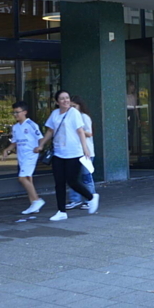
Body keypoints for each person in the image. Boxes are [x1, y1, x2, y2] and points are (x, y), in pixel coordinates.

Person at [35, 90, 98, 221]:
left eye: (67, 98)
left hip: (74, 153)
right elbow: (50, 131)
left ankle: (91, 197)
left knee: (72, 181)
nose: (66, 101)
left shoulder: (74, 113)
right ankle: (61, 211)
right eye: (62, 99)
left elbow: (80, 131)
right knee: (59, 183)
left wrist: (85, 148)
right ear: (57, 102)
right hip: (58, 153)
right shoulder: (54, 114)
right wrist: (42, 144)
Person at [2, 101, 45, 215]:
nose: (15, 115)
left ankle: (37, 200)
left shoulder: (31, 124)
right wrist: (7, 150)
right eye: (14, 112)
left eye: (17, 112)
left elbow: (40, 137)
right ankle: (33, 205)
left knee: (22, 178)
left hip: (30, 154)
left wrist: (40, 147)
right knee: (28, 178)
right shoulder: (15, 127)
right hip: (21, 156)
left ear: (25, 112)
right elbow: (15, 142)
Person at [66, 96, 97, 209]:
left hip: (86, 152)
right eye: (70, 106)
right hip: (75, 151)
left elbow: (89, 133)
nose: (72, 108)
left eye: (74, 106)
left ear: (80, 106)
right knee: (73, 178)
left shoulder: (84, 117)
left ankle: (91, 198)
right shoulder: (69, 117)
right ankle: (75, 199)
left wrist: (79, 130)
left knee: (86, 177)